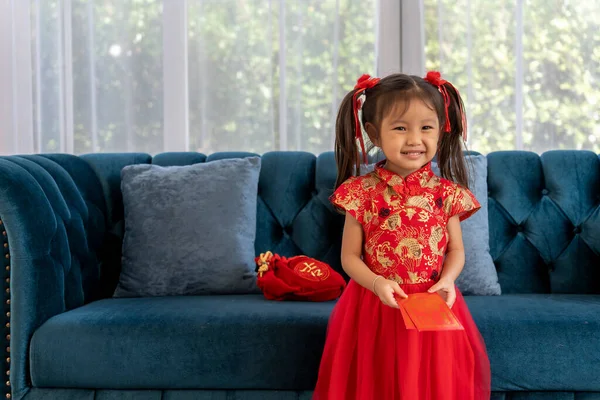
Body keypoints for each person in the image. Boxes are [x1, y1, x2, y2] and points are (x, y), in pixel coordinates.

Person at [313, 72, 491, 400]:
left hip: (433, 302)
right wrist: (377, 283)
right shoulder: (360, 192)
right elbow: (349, 257)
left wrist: (448, 280)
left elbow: (456, 251)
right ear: (373, 133)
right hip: (374, 305)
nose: (414, 139)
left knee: (430, 383)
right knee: (375, 380)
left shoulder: (446, 193)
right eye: (400, 128)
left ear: (442, 129)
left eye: (426, 127)